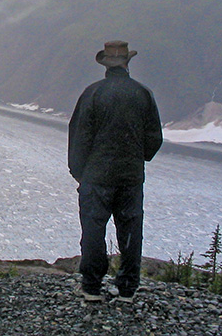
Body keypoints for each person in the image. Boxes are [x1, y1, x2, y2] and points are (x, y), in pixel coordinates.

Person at [68, 40, 162, 303]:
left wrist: (79, 173)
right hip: (130, 176)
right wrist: (138, 157)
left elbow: (78, 135)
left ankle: (92, 286)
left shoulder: (92, 94)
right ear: (127, 62)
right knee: (131, 229)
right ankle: (128, 288)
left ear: (105, 64)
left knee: (93, 230)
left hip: (96, 176)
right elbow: (154, 138)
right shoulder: (142, 94)